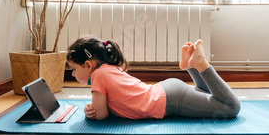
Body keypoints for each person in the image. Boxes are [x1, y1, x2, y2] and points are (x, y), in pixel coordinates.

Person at [66, 35, 241, 120]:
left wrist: (91, 111)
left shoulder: (98, 76)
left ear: (88, 64)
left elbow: (102, 114)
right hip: (168, 91)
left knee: (232, 107)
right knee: (205, 93)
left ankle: (201, 64)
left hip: (171, 100)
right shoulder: (107, 69)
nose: (72, 74)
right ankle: (191, 67)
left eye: (73, 69)